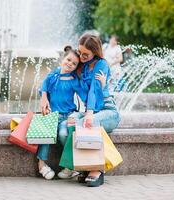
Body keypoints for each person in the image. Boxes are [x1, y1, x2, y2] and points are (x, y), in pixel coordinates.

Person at [60, 32, 121, 187]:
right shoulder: (83, 67)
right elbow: (79, 88)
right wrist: (45, 95)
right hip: (92, 110)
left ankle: (97, 169)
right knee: (65, 126)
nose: (82, 56)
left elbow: (94, 91)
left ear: (95, 51)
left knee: (87, 124)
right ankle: (81, 166)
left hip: (107, 110)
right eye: (80, 52)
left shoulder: (102, 64)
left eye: (86, 53)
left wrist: (88, 113)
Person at [37, 46, 87, 180]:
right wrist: (44, 96)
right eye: (68, 60)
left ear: (76, 67)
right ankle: (41, 165)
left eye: (74, 63)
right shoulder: (53, 76)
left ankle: (70, 166)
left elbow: (84, 96)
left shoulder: (74, 80)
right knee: (46, 133)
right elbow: (43, 87)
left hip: (67, 116)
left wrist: (91, 110)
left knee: (64, 133)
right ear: (62, 59)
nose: (70, 64)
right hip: (53, 115)